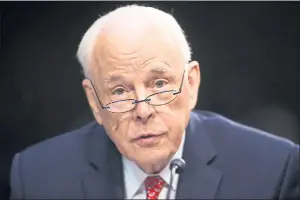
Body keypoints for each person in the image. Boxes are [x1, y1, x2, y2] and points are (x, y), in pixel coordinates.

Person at [10, 5, 299, 199]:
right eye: (120, 91)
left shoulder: (272, 170)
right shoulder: (37, 177)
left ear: (191, 83)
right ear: (94, 102)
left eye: (160, 84)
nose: (143, 111)